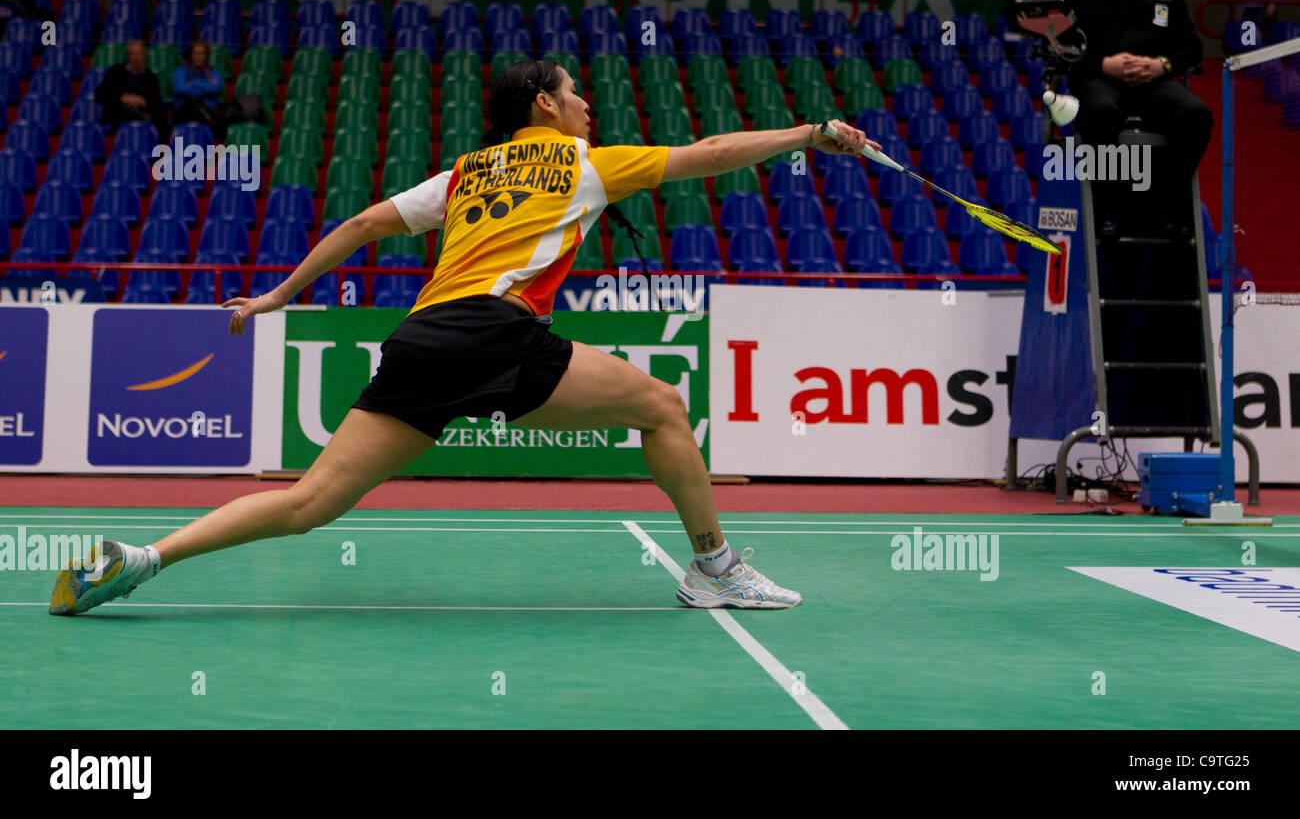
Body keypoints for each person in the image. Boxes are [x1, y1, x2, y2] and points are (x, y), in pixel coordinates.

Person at [50, 58, 879, 617]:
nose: (588, 103)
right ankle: (713, 570)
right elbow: (711, 152)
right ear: (546, 106)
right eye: (575, 92)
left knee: (309, 503)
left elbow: (366, 221)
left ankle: (142, 559)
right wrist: (811, 135)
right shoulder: (584, 160)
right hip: (496, 331)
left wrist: (280, 293)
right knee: (663, 407)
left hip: (423, 338)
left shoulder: (467, 172)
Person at [1060, 0, 1211, 227]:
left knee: (1196, 113)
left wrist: (1162, 66)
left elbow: (1191, 49)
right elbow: (1063, 51)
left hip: (1152, 85)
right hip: (1099, 83)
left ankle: (1168, 206)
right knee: (1100, 111)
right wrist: (1103, 65)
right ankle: (1109, 212)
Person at [93, 38, 168, 136]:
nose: (136, 57)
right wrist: (122, 98)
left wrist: (143, 102)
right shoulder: (115, 71)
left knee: (161, 121)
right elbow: (100, 95)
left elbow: (157, 105)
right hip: (118, 113)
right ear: (128, 56)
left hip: (142, 112)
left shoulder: (151, 77)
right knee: (122, 113)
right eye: (133, 54)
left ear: (144, 56)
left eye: (140, 54)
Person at [172, 39, 226, 140]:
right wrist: (206, 86)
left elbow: (216, 88)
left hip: (207, 109)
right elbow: (179, 88)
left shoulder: (214, 72)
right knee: (193, 104)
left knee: (196, 103)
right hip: (184, 111)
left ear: (206, 56)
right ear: (190, 55)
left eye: (201, 53)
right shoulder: (180, 71)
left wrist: (194, 83)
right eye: (195, 53)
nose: (198, 56)